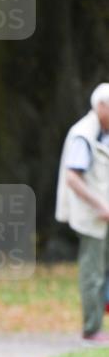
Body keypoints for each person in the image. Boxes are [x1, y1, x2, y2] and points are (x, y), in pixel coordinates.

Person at [55, 82, 109, 343]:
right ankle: (92, 328)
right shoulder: (83, 135)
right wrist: (101, 206)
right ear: (100, 106)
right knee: (93, 272)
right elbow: (72, 178)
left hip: (104, 218)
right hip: (92, 218)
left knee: (104, 270)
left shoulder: (103, 132)